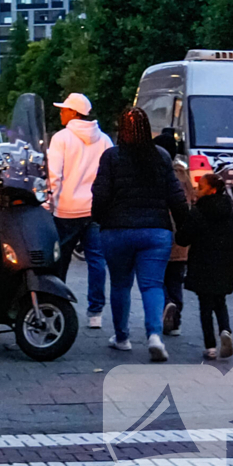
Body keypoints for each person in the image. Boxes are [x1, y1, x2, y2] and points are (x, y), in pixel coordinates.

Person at [91, 107, 189, 362]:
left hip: (117, 230)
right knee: (152, 285)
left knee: (121, 284)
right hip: (156, 231)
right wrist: (185, 226)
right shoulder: (161, 157)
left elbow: (100, 194)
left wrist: (100, 219)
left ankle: (122, 337)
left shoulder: (111, 157)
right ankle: (154, 335)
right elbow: (176, 196)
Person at [47, 92, 112, 329]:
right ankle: (95, 312)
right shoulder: (104, 139)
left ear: (74, 112)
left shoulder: (61, 138)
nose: (61, 112)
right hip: (95, 210)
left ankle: (56, 303)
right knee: (97, 260)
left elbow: (55, 175)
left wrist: (49, 203)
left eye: (64, 109)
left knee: (59, 259)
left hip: (66, 209)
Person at [176, 173, 233, 360]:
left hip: (202, 261)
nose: (197, 190)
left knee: (205, 306)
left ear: (211, 190)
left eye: (200, 187)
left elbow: (183, 238)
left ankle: (210, 347)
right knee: (220, 301)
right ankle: (225, 330)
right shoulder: (230, 209)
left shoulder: (199, 211)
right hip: (224, 262)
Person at [154, 132, 194, 337]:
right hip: (181, 238)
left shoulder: (156, 172)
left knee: (157, 278)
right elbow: (192, 201)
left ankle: (166, 305)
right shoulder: (183, 173)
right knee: (176, 279)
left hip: (159, 232)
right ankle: (176, 320)